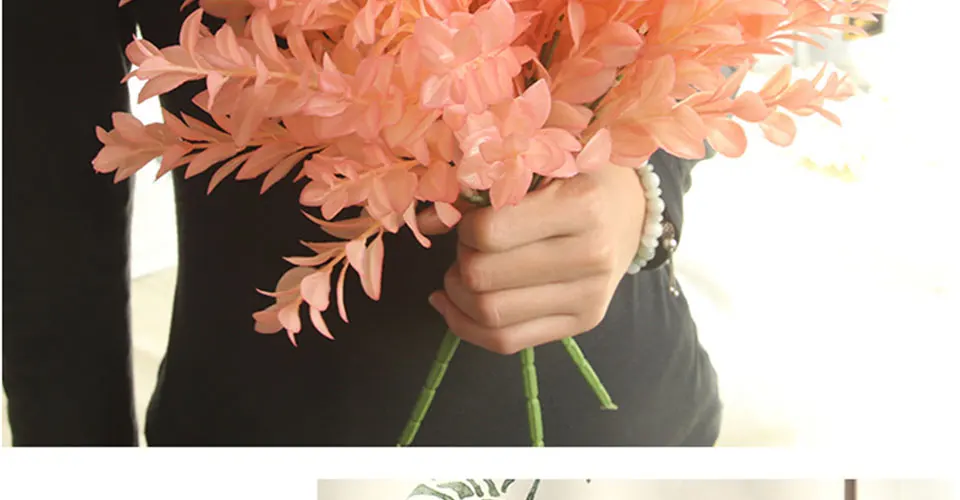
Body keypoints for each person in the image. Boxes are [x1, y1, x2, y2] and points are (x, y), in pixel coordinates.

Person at [3, 0, 721, 446]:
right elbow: (47, 218)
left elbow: (702, 39)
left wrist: (643, 194)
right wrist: (76, 474)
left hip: (628, 438)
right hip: (273, 443)